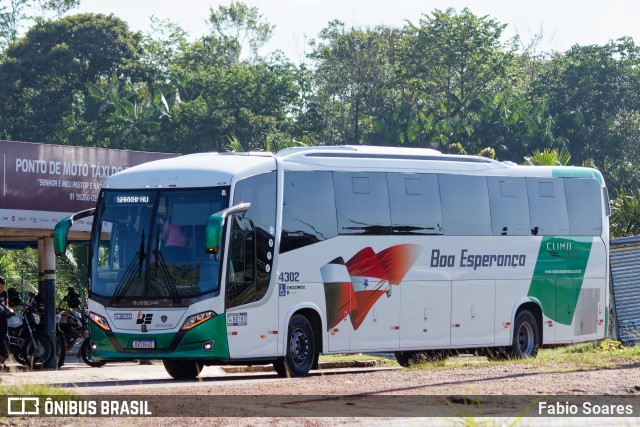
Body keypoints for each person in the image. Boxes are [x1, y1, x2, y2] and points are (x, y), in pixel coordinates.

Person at [0, 276, 9, 365]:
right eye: (0, 286)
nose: (2, 288)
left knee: (5, 338)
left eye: (3, 286)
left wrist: (9, 310)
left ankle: (2, 359)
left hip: (3, 317)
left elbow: (6, 305)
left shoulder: (5, 293)